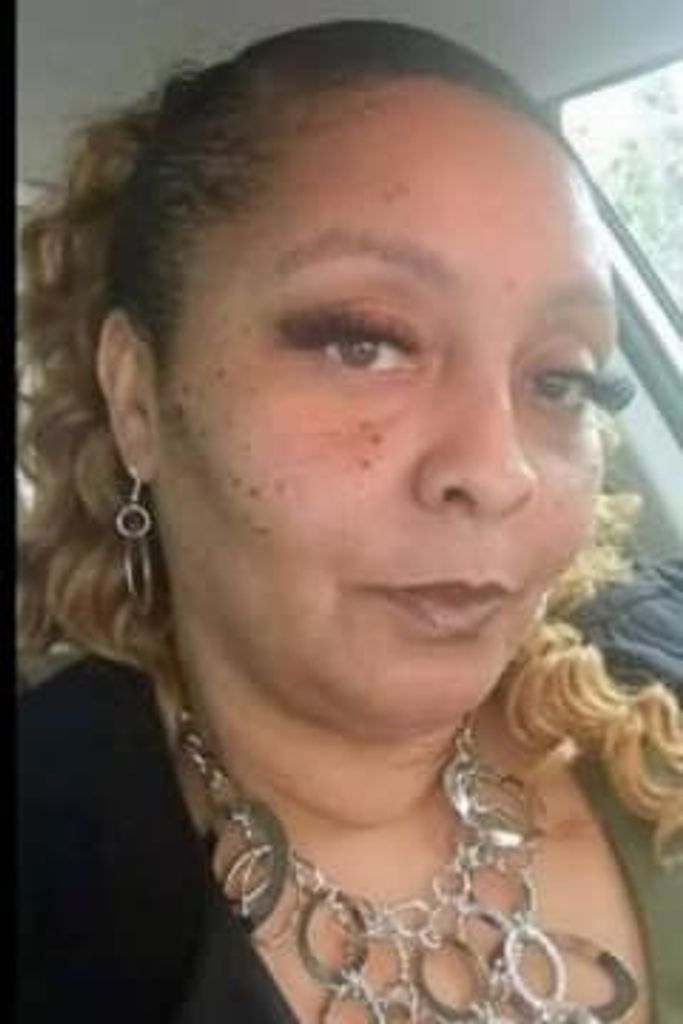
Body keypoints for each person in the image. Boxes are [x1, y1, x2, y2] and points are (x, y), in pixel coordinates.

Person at [17, 18, 683, 1024]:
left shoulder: (654, 697)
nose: (495, 471)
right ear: (140, 400)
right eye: (363, 343)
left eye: (559, 379)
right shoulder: (54, 866)